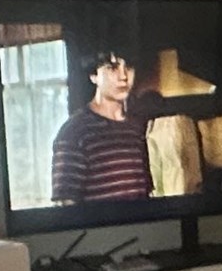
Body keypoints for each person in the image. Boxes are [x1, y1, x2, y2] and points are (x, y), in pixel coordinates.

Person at [50, 51, 151, 203]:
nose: (123, 76)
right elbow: (65, 203)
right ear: (94, 76)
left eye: (128, 67)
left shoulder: (136, 129)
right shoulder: (75, 131)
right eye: (112, 68)